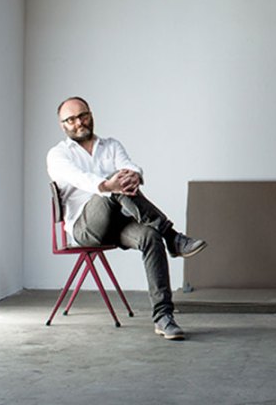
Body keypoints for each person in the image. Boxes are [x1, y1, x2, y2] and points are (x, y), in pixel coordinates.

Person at [46, 96, 206, 340]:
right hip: (85, 227)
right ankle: (172, 236)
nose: (79, 122)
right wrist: (107, 184)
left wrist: (134, 176)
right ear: (62, 125)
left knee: (150, 236)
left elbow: (129, 166)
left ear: (91, 114)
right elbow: (79, 178)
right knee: (114, 188)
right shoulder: (58, 155)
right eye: (71, 119)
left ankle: (164, 318)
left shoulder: (110, 145)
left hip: (119, 222)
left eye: (83, 115)